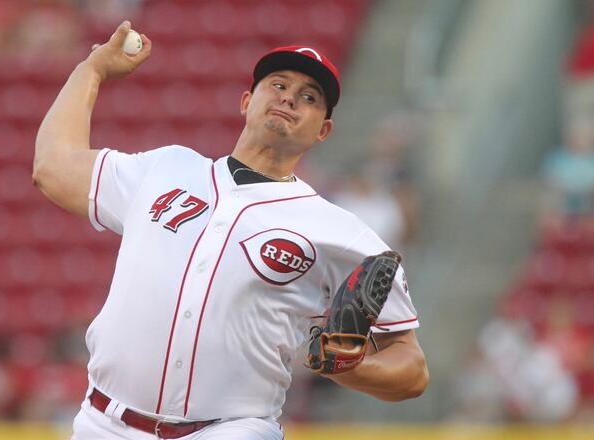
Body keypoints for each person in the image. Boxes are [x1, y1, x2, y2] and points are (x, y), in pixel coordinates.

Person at [33, 21, 428, 440]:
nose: (290, 98)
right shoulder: (166, 169)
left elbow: (412, 370)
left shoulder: (342, 234)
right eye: (277, 85)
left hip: (231, 430)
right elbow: (53, 169)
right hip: (105, 423)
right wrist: (90, 71)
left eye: (310, 98)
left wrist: (351, 366)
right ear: (246, 101)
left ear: (323, 130)